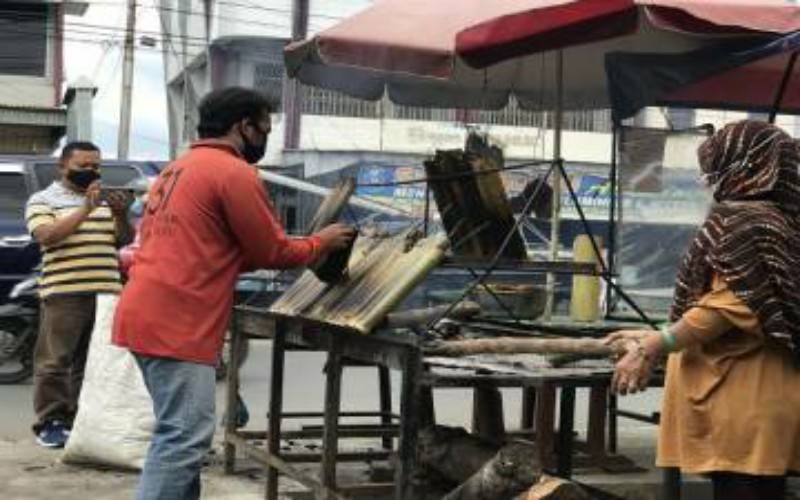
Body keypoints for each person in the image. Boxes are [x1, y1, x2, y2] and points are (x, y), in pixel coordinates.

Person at [112, 86, 355, 500]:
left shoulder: (178, 167)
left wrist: (302, 244)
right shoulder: (233, 172)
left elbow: (218, 253)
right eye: (265, 128)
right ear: (244, 126)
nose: (266, 138)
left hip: (145, 311)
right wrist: (320, 243)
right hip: (177, 320)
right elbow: (270, 251)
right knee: (183, 440)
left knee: (178, 435)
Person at [605, 120, 800, 499]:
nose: (705, 181)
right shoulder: (787, 223)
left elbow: (728, 306)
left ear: (744, 165)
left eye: (714, 168)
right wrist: (654, 332)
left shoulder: (742, 219)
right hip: (769, 397)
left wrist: (655, 344)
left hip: (739, 399)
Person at [25, 141, 134, 448]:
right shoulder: (43, 199)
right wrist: (86, 208)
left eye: (96, 166)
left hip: (106, 293)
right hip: (65, 293)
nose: (92, 172)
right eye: (83, 166)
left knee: (94, 364)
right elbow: (48, 236)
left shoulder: (103, 200)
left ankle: (81, 420)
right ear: (63, 166)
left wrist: (120, 215)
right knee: (55, 362)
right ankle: (51, 422)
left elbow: (122, 242)